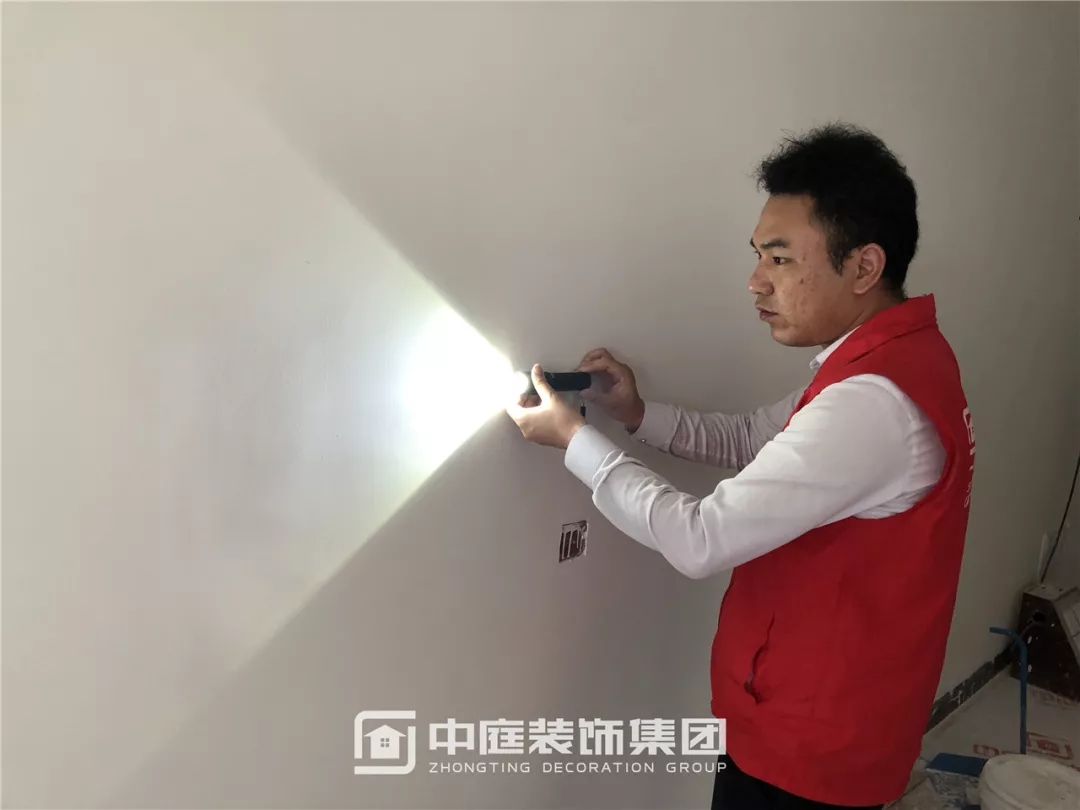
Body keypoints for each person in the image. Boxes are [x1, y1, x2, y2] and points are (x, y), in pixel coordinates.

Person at [505, 122, 975, 810]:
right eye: (758, 255)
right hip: (831, 719)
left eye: (780, 259)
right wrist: (637, 413)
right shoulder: (895, 359)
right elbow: (757, 436)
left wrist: (573, 440)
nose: (756, 282)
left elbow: (701, 539)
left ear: (864, 266)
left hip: (809, 752)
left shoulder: (872, 404)